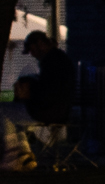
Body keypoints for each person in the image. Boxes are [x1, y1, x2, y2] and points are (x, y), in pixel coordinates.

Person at [16, 28, 76, 169]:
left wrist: (29, 92)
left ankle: (16, 156)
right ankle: (24, 153)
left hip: (50, 111)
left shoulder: (52, 62)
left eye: (33, 50)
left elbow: (48, 92)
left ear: (40, 44)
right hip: (60, 110)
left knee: (5, 113)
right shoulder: (59, 59)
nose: (32, 55)